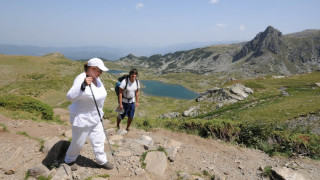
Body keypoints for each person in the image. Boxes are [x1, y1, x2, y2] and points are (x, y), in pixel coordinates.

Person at [64, 58, 113, 171]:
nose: (101, 73)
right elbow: (70, 96)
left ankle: (101, 161)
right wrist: (83, 86)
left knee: (99, 139)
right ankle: (69, 160)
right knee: (78, 142)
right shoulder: (81, 78)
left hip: (96, 116)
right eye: (99, 70)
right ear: (91, 69)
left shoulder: (97, 79)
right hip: (82, 118)